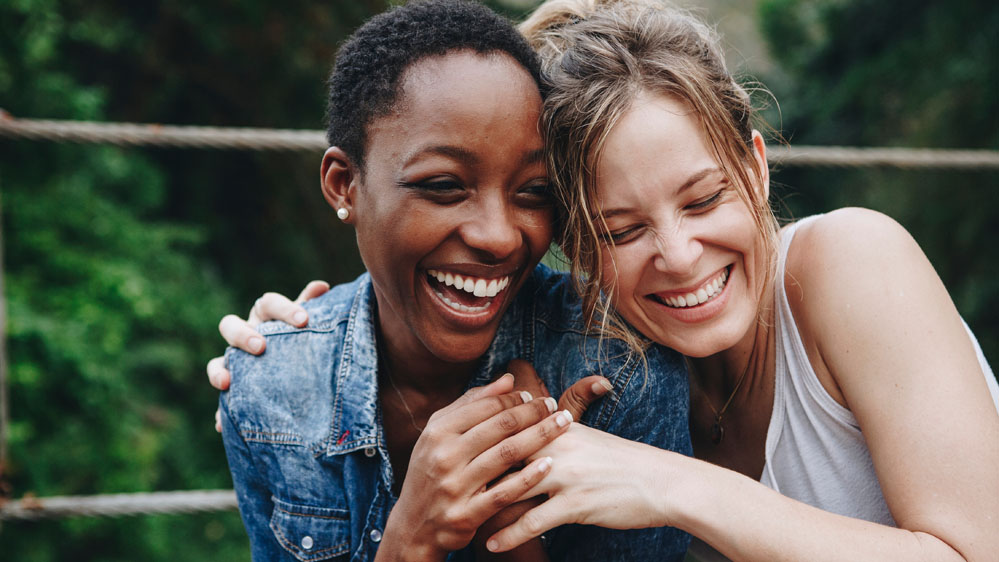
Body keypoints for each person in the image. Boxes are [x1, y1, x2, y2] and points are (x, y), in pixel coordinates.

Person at [473, 1, 998, 560]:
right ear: (576, 248)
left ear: (755, 166)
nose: (678, 256)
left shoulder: (853, 261)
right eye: (622, 232)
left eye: (703, 200)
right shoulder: (614, 381)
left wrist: (670, 484)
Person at [213, 1, 691, 560]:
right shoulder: (273, 390)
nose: (499, 238)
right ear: (344, 185)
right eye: (443, 185)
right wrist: (410, 540)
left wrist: (513, 524)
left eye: (533, 192)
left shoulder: (618, 369)